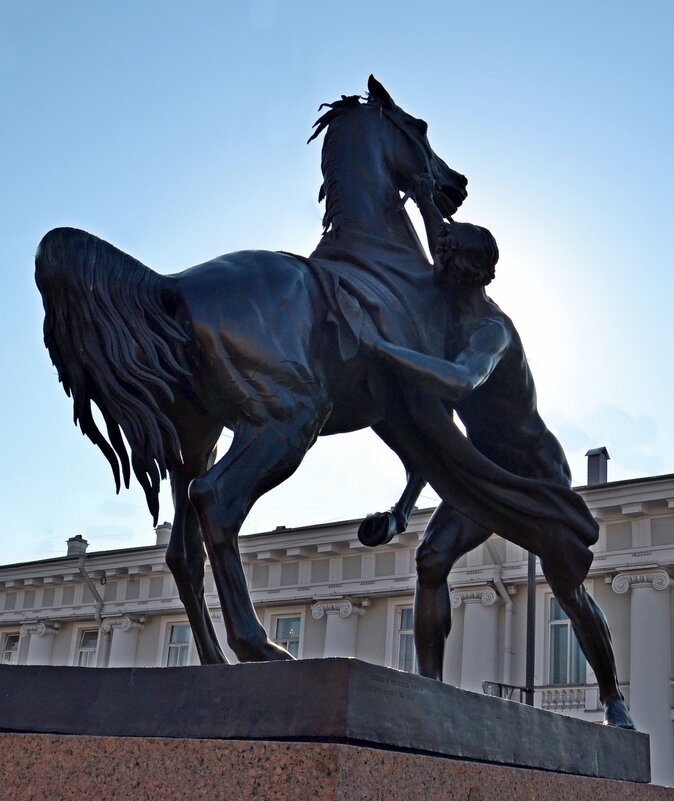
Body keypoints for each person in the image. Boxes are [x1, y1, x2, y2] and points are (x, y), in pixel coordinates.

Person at [368, 217, 635, 729]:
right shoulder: (440, 324)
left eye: (445, 261)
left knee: (569, 590)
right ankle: (430, 688)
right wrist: (402, 510)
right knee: (431, 559)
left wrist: (380, 349)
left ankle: (612, 698)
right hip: (481, 466)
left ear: (464, 272)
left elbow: (459, 382)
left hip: (535, 473)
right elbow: (439, 438)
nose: (435, 269)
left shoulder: (492, 331)